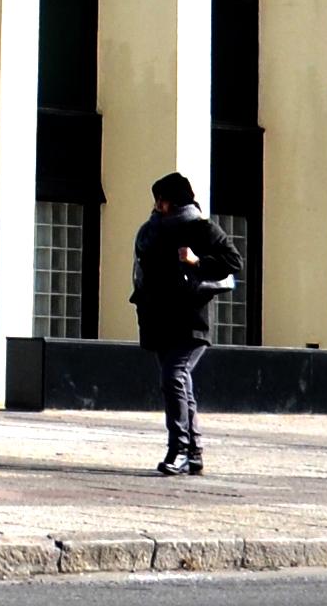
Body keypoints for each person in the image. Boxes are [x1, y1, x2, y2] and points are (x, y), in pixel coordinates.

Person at [128, 175, 242, 477]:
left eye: (162, 199)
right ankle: (194, 453)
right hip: (157, 317)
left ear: (175, 200)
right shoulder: (150, 231)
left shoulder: (200, 227)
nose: (157, 205)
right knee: (180, 384)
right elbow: (141, 268)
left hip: (191, 319)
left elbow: (233, 261)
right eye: (156, 199)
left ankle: (177, 449)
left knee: (174, 377)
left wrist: (196, 261)